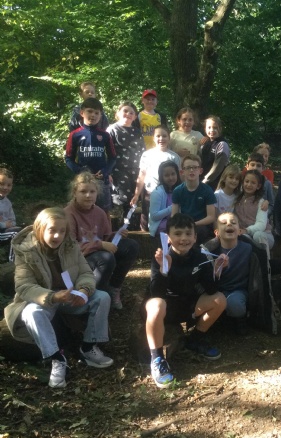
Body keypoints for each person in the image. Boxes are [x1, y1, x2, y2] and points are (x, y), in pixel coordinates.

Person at [4, 208, 113, 388]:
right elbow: (24, 286)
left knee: (102, 297)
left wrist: (84, 290)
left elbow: (85, 272)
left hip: (70, 295)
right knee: (31, 313)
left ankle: (88, 347)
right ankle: (57, 358)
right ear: (40, 229)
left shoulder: (70, 245)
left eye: (62, 231)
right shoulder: (26, 250)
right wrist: (52, 296)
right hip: (45, 299)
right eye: (52, 230)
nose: (57, 236)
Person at [144, 213, 227, 388]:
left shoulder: (200, 256)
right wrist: (164, 270)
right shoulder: (161, 256)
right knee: (156, 304)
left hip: (188, 306)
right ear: (168, 237)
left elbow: (211, 290)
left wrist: (217, 270)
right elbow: (156, 293)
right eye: (178, 233)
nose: (183, 238)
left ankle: (195, 339)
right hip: (165, 309)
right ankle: (157, 358)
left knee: (219, 299)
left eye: (188, 234)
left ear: (195, 237)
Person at [65, 172, 139, 310]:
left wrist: (116, 235)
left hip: (98, 250)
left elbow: (105, 237)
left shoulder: (99, 212)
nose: (88, 195)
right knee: (106, 258)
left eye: (92, 192)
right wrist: (100, 245)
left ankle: (114, 288)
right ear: (75, 193)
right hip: (79, 258)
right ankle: (93, 296)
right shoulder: (68, 214)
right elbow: (70, 247)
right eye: (83, 191)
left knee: (131, 246)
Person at [65, 97, 117, 213]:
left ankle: (104, 227)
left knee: (104, 212)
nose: (93, 115)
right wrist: (80, 170)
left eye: (96, 113)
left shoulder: (105, 135)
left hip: (101, 180)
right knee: (81, 211)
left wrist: (105, 171)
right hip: (82, 181)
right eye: (90, 111)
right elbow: (68, 158)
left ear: (101, 115)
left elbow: (113, 158)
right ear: (82, 113)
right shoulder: (75, 134)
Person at [131, 125, 181, 231]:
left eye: (164, 136)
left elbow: (179, 176)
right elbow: (142, 175)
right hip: (150, 192)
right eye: (158, 136)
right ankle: (145, 235)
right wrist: (136, 194)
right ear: (153, 138)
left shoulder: (174, 156)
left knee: (166, 220)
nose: (161, 138)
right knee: (146, 220)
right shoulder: (147, 154)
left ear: (169, 138)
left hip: (168, 194)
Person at [106, 101, 146, 211]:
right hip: (117, 172)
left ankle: (131, 222)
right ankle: (119, 222)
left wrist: (144, 171)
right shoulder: (111, 130)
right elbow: (105, 153)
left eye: (131, 113)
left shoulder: (137, 132)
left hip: (136, 172)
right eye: (125, 111)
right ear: (118, 113)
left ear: (135, 117)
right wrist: (107, 172)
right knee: (119, 202)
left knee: (135, 203)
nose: (128, 114)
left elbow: (143, 153)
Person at [171, 155, 217, 244]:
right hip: (184, 224)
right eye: (188, 168)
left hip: (202, 226)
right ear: (182, 172)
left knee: (199, 232)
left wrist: (193, 224)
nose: (191, 170)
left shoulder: (207, 190)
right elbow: (174, 215)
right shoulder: (177, 191)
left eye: (195, 167)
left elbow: (211, 217)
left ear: (200, 171)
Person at [234, 170, 275, 250]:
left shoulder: (261, 202)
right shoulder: (237, 199)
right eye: (247, 181)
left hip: (263, 234)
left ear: (258, 186)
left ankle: (263, 257)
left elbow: (261, 225)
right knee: (240, 237)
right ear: (242, 183)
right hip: (243, 234)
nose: (249, 185)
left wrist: (246, 230)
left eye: (253, 183)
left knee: (257, 235)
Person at [148, 161, 182, 238]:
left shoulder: (180, 190)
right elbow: (154, 216)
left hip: (178, 222)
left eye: (173, 174)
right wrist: (173, 207)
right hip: (161, 225)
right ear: (161, 177)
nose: (170, 178)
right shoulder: (157, 192)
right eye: (166, 175)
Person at [200, 115, 230, 190]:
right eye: (209, 127)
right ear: (205, 129)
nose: (212, 130)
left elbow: (218, 167)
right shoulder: (205, 143)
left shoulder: (222, 144)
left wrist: (205, 180)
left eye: (215, 128)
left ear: (220, 129)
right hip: (201, 180)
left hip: (215, 183)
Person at [243, 152, 274, 217]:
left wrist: (264, 213)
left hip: (260, 217)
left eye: (258, 166)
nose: (255, 168)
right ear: (247, 166)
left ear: (263, 168)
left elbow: (271, 204)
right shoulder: (242, 181)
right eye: (252, 165)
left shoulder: (267, 183)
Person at [0, 167, 20, 263]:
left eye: (9, 185)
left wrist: (10, 224)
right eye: (1, 184)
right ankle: (12, 262)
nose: (5, 188)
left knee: (24, 231)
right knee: (15, 234)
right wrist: (4, 224)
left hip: (5, 231)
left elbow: (13, 220)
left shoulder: (7, 202)